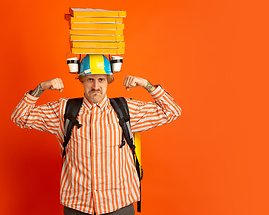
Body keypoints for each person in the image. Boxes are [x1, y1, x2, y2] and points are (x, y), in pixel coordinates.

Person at [11, 54, 181, 215]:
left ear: (108, 81)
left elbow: (172, 111)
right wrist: (41, 88)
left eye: (101, 79)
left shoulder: (126, 109)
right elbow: (20, 117)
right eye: (90, 79)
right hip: (77, 206)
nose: (95, 86)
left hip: (119, 205)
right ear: (82, 80)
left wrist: (146, 84)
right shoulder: (64, 111)